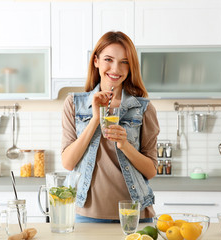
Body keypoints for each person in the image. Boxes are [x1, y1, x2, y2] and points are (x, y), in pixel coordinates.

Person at [61, 31, 160, 223]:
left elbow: (151, 170)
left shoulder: (143, 108)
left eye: (124, 62)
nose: (116, 68)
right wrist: (95, 119)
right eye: (108, 59)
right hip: (85, 214)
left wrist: (125, 145)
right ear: (96, 61)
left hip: (134, 213)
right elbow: (68, 162)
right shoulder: (74, 104)